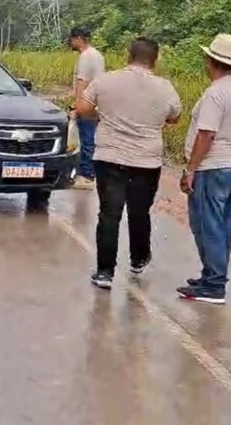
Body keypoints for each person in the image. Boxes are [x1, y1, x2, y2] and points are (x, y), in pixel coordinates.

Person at [76, 38, 181, 290]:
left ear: (128, 55)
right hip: (146, 160)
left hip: (110, 157)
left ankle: (104, 272)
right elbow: (175, 116)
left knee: (109, 214)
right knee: (139, 211)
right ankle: (138, 258)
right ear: (156, 60)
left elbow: (82, 107)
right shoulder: (165, 88)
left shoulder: (106, 80)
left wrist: (100, 115)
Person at [178, 34, 231, 305]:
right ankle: (212, 274)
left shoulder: (215, 92)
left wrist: (191, 169)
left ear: (211, 60)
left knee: (206, 224)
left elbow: (206, 134)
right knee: (222, 225)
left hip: (213, 165)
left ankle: (214, 284)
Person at [68, 26, 105, 190]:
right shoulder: (96, 55)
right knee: (89, 138)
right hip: (96, 101)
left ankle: (87, 175)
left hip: (88, 103)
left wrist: (77, 106)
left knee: (86, 139)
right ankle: (86, 173)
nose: (71, 43)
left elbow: (83, 83)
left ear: (78, 39)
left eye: (72, 39)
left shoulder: (86, 56)